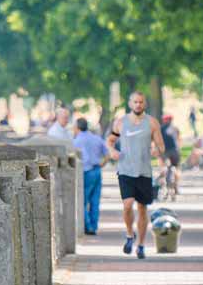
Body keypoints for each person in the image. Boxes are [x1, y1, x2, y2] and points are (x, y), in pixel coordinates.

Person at [107, 91, 165, 258]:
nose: (138, 105)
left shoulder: (152, 123)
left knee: (142, 208)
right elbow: (110, 140)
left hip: (144, 171)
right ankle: (129, 234)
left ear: (144, 103)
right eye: (135, 102)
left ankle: (140, 244)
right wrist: (112, 151)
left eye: (141, 102)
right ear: (130, 103)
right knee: (127, 205)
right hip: (125, 170)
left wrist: (156, 149)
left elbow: (161, 146)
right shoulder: (121, 122)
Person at [71, 117, 108, 236]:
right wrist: (102, 164)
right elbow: (107, 154)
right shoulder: (96, 138)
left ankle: (88, 226)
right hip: (97, 170)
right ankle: (94, 225)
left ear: (77, 127)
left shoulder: (77, 141)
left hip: (86, 172)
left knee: (82, 201)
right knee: (95, 200)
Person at [158, 112, 183, 197]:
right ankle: (176, 187)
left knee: (163, 168)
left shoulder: (160, 129)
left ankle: (163, 186)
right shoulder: (175, 128)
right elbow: (179, 140)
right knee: (176, 168)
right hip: (174, 151)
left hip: (164, 151)